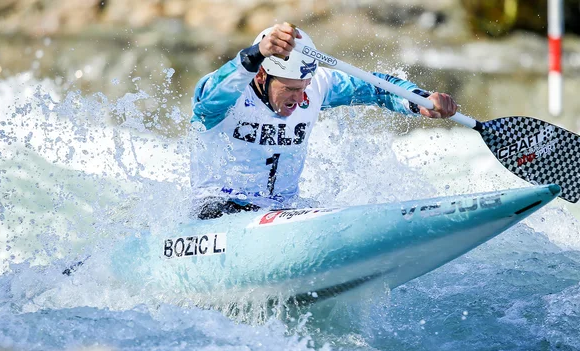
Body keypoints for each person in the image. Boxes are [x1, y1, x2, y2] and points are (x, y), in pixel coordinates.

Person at [190, 23, 458, 220]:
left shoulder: (316, 86)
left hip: (280, 214)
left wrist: (420, 100)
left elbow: (377, 88)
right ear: (261, 75)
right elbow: (208, 98)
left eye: (304, 86)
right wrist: (257, 52)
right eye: (290, 89)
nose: (300, 97)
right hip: (218, 214)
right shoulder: (227, 92)